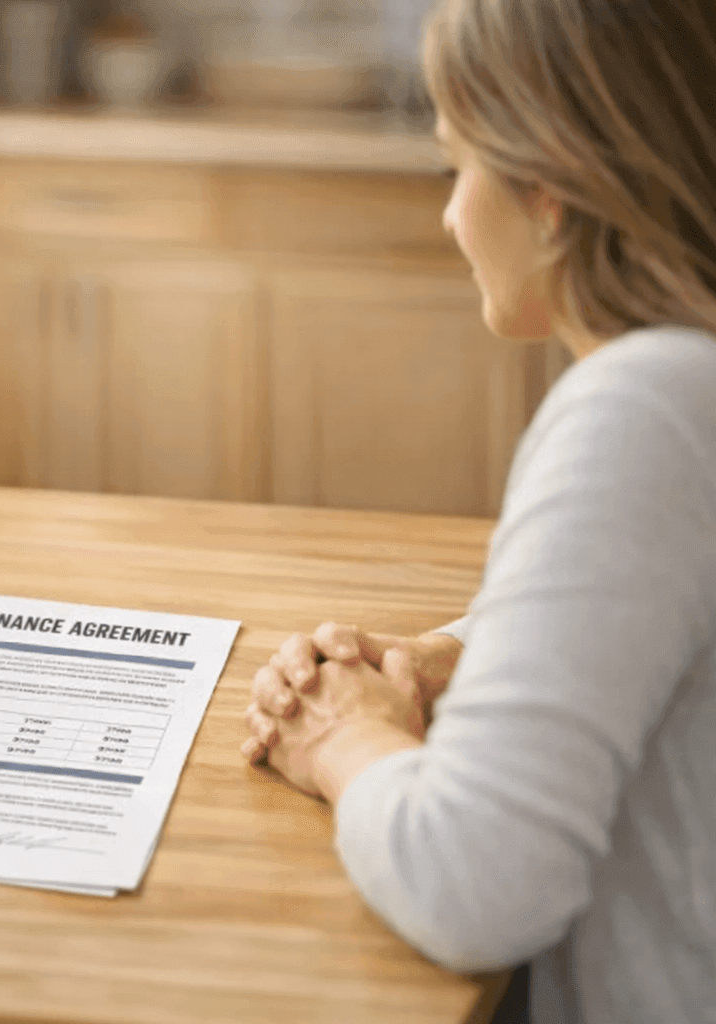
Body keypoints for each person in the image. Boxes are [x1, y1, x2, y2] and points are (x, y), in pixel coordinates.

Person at [238, 1, 716, 1021]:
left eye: (461, 165)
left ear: (545, 187)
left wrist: (339, 737)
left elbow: (479, 887)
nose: (452, 215)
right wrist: (468, 656)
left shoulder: (644, 408)